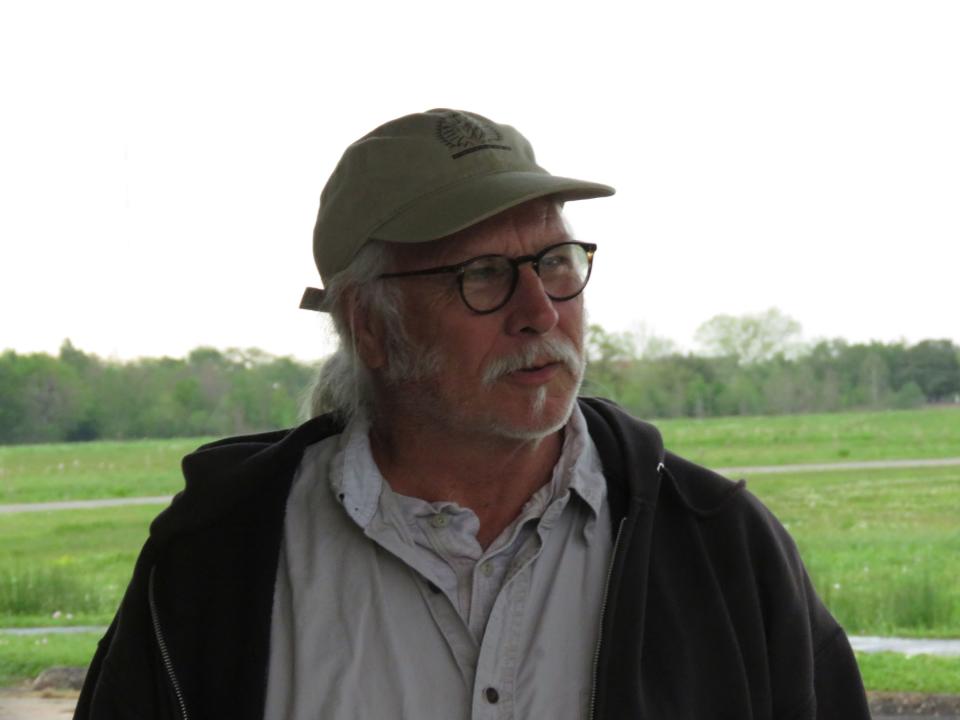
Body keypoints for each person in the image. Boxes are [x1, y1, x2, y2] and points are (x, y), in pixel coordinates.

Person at [75, 109, 870, 719]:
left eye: (556, 261)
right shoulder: (219, 556)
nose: (540, 311)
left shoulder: (719, 543)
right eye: (485, 275)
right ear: (370, 328)